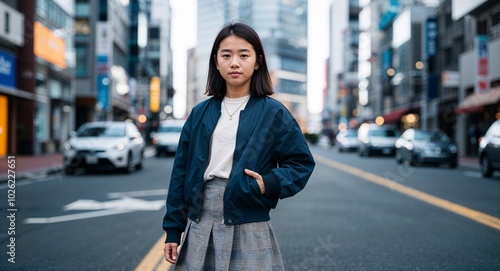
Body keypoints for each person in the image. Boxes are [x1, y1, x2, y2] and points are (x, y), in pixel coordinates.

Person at [162, 21, 315, 271]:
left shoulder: (273, 113)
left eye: (244, 55)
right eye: (226, 55)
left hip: (249, 221)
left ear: (257, 61)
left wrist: (269, 183)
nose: (234, 62)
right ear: (216, 61)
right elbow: (181, 171)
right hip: (201, 220)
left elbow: (301, 163)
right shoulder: (200, 113)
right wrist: (172, 229)